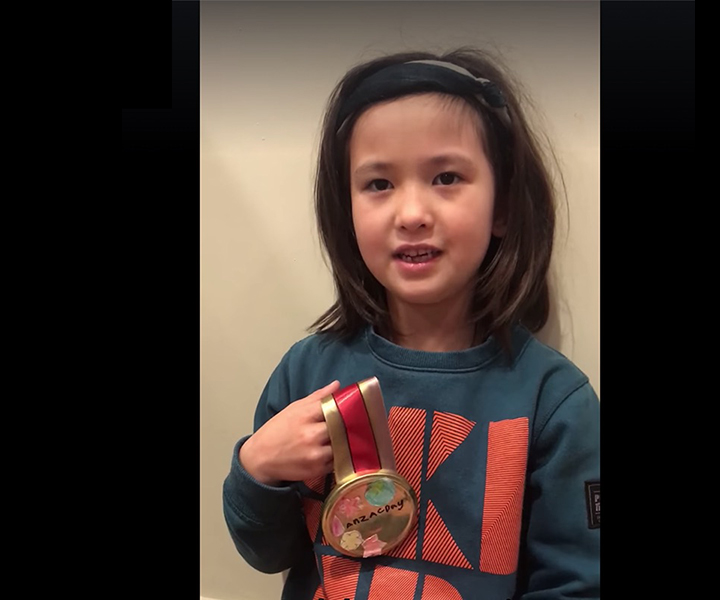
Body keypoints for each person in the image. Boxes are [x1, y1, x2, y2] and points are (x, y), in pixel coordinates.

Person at [222, 48, 600, 600]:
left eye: (446, 177)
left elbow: (577, 583)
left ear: (502, 209)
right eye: (378, 184)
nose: (411, 213)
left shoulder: (555, 402)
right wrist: (257, 469)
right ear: (344, 212)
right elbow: (267, 552)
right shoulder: (308, 371)